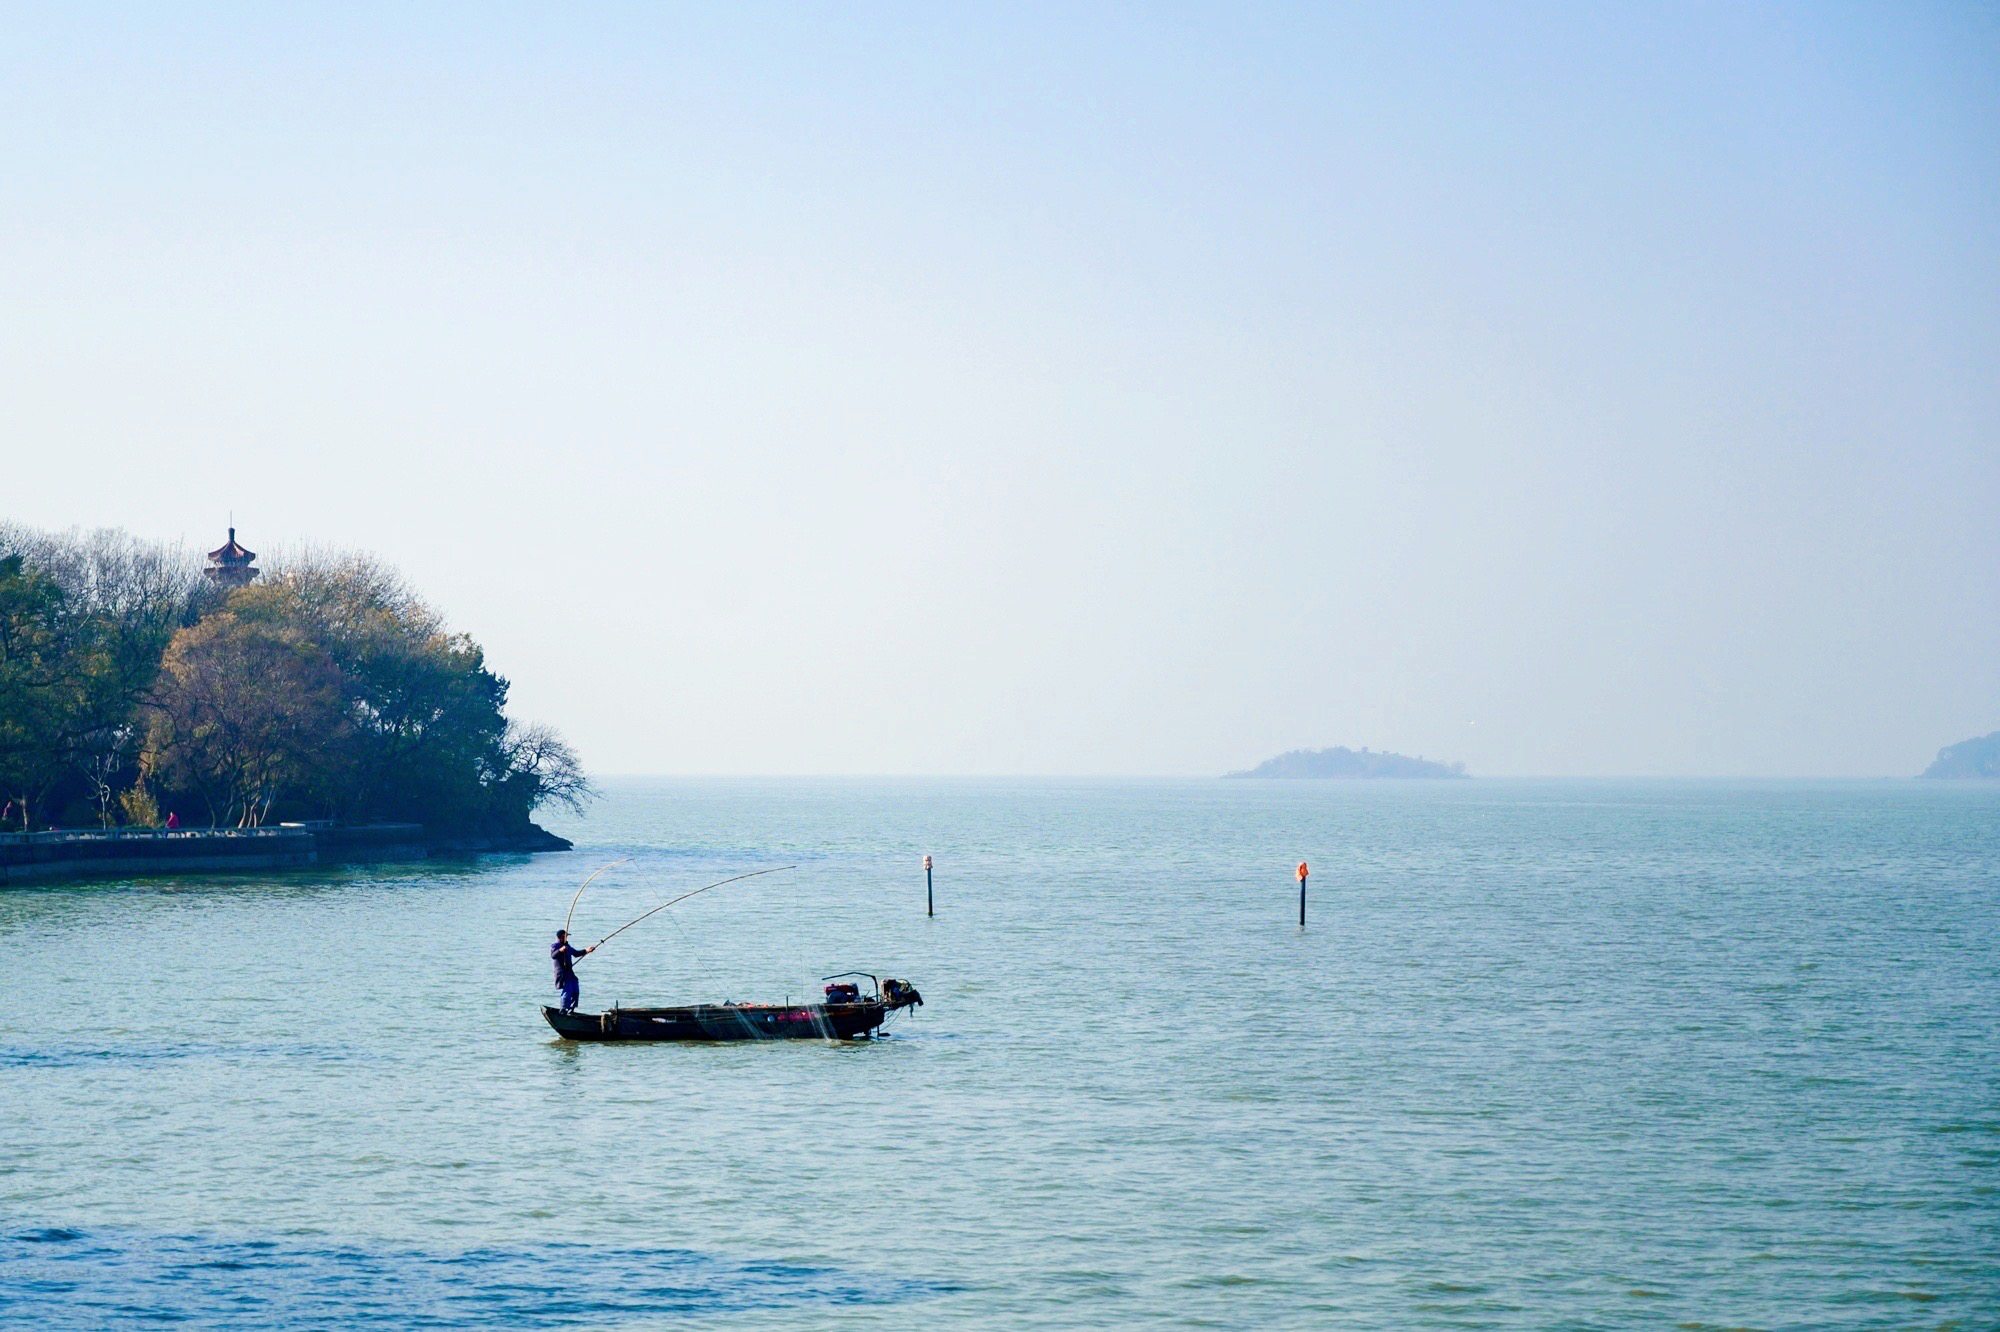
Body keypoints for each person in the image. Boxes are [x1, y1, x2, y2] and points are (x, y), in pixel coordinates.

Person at [551, 930, 594, 1013]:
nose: (566, 938)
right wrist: (560, 950)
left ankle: (571, 1008)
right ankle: (563, 1009)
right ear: (560, 937)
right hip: (562, 973)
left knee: (575, 988)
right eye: (565, 936)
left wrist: (586, 950)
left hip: (569, 972)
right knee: (568, 990)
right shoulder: (555, 945)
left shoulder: (567, 946)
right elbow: (553, 955)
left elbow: (576, 953)